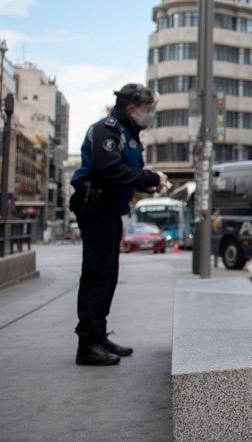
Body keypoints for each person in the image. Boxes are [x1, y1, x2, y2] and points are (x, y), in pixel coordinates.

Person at [68, 84, 168, 366]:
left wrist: (150, 186)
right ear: (132, 107)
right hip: (97, 206)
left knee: (108, 273)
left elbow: (128, 174)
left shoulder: (130, 134)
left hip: (111, 209)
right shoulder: (107, 129)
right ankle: (87, 342)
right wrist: (150, 178)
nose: (149, 115)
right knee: (97, 273)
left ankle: (98, 335)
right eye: (147, 109)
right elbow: (108, 168)